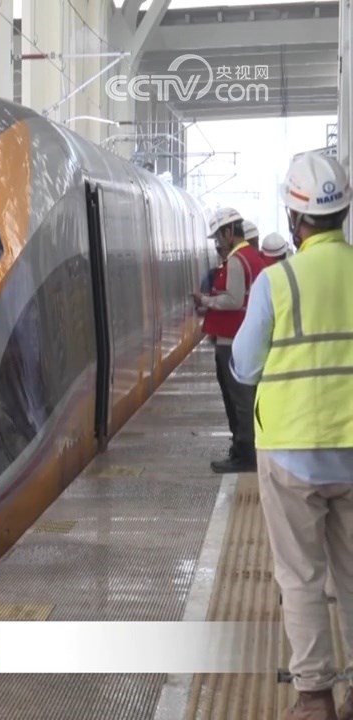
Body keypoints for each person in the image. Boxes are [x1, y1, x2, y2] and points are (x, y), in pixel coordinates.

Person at [231, 152, 353, 720]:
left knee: (301, 577)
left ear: (295, 219)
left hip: (290, 452)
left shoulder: (277, 282)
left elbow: (244, 365)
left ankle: (314, 698)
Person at [193, 207, 267, 473]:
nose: (217, 242)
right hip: (244, 337)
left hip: (232, 340)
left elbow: (234, 300)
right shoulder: (253, 258)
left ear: (229, 231)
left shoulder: (237, 260)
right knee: (244, 399)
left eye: (218, 235)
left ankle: (244, 453)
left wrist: (205, 300)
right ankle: (245, 449)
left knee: (238, 400)